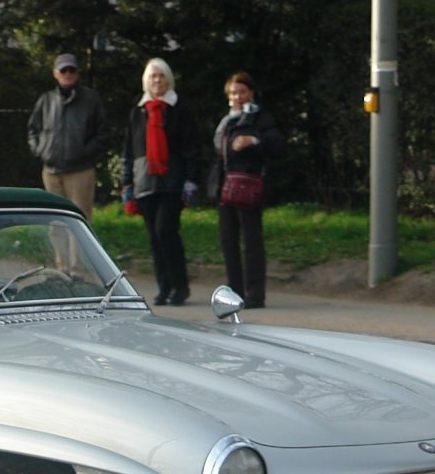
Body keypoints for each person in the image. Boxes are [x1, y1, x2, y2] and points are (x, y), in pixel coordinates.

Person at [122, 58, 199, 306]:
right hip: (144, 181)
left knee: (166, 231)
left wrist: (191, 180)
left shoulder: (179, 109)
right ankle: (163, 288)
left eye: (161, 76)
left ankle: (180, 286)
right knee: (154, 238)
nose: (157, 81)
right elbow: (129, 150)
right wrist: (127, 183)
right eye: (153, 76)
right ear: (147, 80)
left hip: (172, 181)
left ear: (169, 79)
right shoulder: (138, 111)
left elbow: (191, 147)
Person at [209, 72, 284, 309]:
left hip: (248, 186)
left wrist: (253, 140)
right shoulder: (227, 121)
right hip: (225, 187)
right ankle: (235, 290)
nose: (237, 97)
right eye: (232, 93)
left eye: (241, 92)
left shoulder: (260, 118)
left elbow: (277, 145)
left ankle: (255, 293)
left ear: (250, 92)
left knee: (252, 240)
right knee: (228, 240)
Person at [26, 53, 106, 222]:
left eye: (71, 70)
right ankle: (60, 251)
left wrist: (83, 153)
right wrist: (41, 151)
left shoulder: (91, 99)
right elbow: (33, 129)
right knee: (55, 221)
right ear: (55, 73)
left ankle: (79, 251)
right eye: (63, 70)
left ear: (77, 73)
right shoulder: (46, 100)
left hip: (80, 171)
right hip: (51, 172)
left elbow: (102, 133)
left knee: (80, 220)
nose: (67, 74)